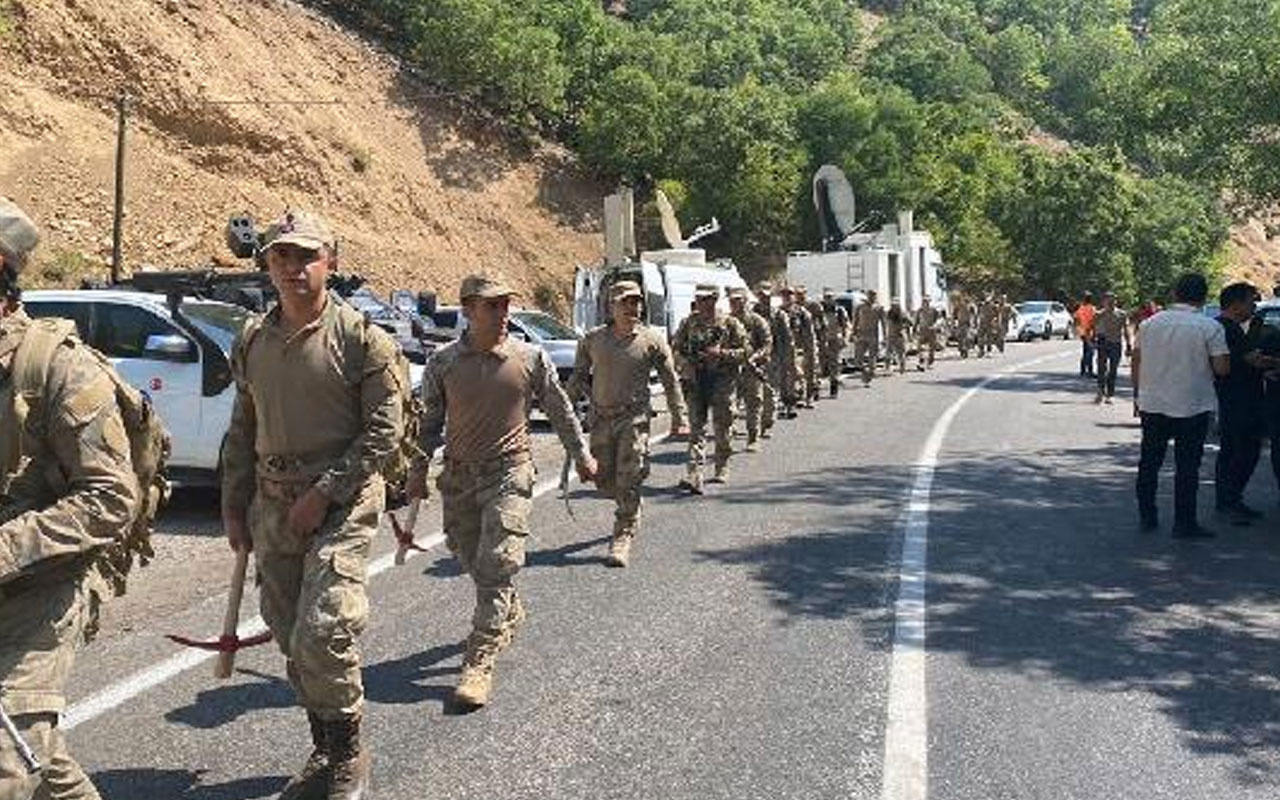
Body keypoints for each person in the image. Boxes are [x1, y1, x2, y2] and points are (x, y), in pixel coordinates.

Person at [222, 210, 405, 797]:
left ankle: (350, 755)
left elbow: (385, 430)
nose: (293, 267)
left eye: (307, 256)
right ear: (267, 264)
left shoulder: (362, 340)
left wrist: (324, 492)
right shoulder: (251, 339)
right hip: (272, 504)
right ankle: (324, 752)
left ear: (331, 262)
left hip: (343, 503)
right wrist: (234, 501)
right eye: (282, 256)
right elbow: (242, 424)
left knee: (323, 630)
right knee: (287, 631)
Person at [0, 199, 143, 800]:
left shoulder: (60, 368)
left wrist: (7, 547)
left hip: (45, 586)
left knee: (6, 759)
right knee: (40, 754)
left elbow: (112, 498)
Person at [412, 275, 594, 707]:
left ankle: (479, 660)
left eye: (506, 305)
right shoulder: (443, 363)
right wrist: (416, 470)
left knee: (497, 563)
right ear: (468, 310)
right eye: (492, 306)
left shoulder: (530, 357)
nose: (503, 314)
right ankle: (506, 607)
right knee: (466, 551)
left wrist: (582, 454)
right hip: (458, 477)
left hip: (510, 473)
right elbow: (429, 423)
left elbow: (560, 409)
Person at [567, 281, 686, 567]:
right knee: (604, 481)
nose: (633, 308)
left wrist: (679, 418)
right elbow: (579, 376)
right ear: (612, 305)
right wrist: (563, 410)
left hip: (634, 419)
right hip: (600, 419)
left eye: (637, 302)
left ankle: (622, 535)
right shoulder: (593, 340)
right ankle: (628, 504)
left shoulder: (652, 340)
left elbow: (670, 380)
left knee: (629, 478)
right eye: (626, 302)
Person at [1132, 273, 1230, 538]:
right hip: (1193, 404)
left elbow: (1137, 360)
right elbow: (1222, 368)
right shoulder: (1210, 327)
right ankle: (1184, 523)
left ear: (1175, 294)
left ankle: (1147, 516)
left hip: (1153, 402)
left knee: (1149, 462)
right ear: (1203, 297)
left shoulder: (1149, 324)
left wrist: (1137, 395)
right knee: (1187, 467)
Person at [673, 285, 748, 491]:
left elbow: (745, 352)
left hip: (722, 382)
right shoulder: (688, 323)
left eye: (707, 299)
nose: (703, 304)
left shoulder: (730, 323)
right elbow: (676, 348)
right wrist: (685, 364)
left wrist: (721, 353)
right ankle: (694, 473)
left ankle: (722, 466)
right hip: (696, 381)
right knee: (696, 429)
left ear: (715, 300)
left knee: (723, 427)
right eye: (699, 299)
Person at [1212, 283, 1274, 524]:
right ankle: (1229, 500)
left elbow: (1244, 363)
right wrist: (1273, 363)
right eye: (1251, 301)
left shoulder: (1224, 327)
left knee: (1235, 450)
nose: (1254, 306)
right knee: (1242, 451)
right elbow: (1254, 360)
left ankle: (1229, 498)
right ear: (1236, 304)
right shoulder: (1229, 329)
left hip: (1235, 397)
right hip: (1240, 401)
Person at [729, 287, 771, 452]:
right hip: (731, 369)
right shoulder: (726, 321)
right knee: (728, 404)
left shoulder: (757, 321)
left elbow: (767, 343)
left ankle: (753, 438)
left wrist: (755, 357)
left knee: (753, 404)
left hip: (752, 369)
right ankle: (727, 437)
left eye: (737, 300)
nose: (734, 303)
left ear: (745, 301)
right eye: (732, 300)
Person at [1092, 293, 1130, 404]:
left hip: (1116, 343)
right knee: (1101, 368)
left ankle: (1110, 395)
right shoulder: (1099, 314)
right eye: (1108, 301)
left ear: (1116, 301)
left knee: (1113, 370)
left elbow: (1126, 329)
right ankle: (1100, 391)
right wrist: (1093, 339)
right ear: (1104, 302)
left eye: (1113, 300)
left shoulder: (1122, 314)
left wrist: (1129, 344)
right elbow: (1093, 327)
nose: (1111, 303)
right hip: (1103, 342)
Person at [771, 286, 801, 420]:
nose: (787, 297)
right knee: (780, 377)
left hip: (796, 349)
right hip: (779, 349)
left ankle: (792, 402)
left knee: (793, 376)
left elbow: (807, 333)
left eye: (789, 295)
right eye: (784, 295)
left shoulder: (800, 312)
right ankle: (783, 403)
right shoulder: (776, 313)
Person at [819, 289, 850, 397]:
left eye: (830, 297)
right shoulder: (819, 310)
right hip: (822, 340)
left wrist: (845, 337)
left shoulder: (839, 310)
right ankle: (815, 388)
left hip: (835, 340)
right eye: (826, 297)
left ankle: (834, 387)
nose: (828, 299)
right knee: (820, 363)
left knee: (834, 364)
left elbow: (846, 325)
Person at [791, 287, 819, 407]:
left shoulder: (810, 308)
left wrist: (815, 346)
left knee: (810, 372)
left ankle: (809, 396)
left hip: (808, 344)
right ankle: (800, 395)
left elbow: (814, 328)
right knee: (798, 372)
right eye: (797, 294)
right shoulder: (789, 310)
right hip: (794, 346)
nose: (799, 296)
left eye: (801, 294)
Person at [851, 290, 884, 385]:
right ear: (867, 296)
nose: (872, 297)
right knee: (857, 359)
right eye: (870, 295)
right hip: (861, 334)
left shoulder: (879, 308)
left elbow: (883, 323)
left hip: (873, 335)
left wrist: (885, 337)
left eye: (874, 296)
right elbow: (855, 320)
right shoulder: (860, 307)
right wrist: (853, 333)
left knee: (872, 358)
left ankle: (868, 377)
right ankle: (864, 372)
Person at [885, 298, 912, 374]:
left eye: (895, 305)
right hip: (890, 336)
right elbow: (887, 323)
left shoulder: (903, 314)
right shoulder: (889, 313)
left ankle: (902, 369)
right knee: (888, 353)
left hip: (900, 336)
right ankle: (887, 369)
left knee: (901, 354)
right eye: (892, 305)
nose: (894, 307)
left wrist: (903, 326)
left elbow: (911, 323)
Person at [915, 295, 941, 370]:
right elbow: (916, 321)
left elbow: (939, 319)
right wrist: (915, 329)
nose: (925, 303)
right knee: (920, 347)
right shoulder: (919, 310)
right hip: (922, 330)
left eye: (927, 301)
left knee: (932, 348)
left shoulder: (933, 310)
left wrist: (935, 325)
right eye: (924, 301)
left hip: (931, 331)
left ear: (930, 302)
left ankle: (930, 362)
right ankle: (922, 362)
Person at [1074, 291, 1097, 377]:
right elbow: (1095, 321)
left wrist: (1077, 330)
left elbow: (1076, 320)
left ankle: (1083, 370)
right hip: (1088, 332)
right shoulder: (1092, 308)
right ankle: (1089, 371)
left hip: (1083, 332)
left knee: (1086, 351)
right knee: (1090, 352)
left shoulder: (1080, 308)